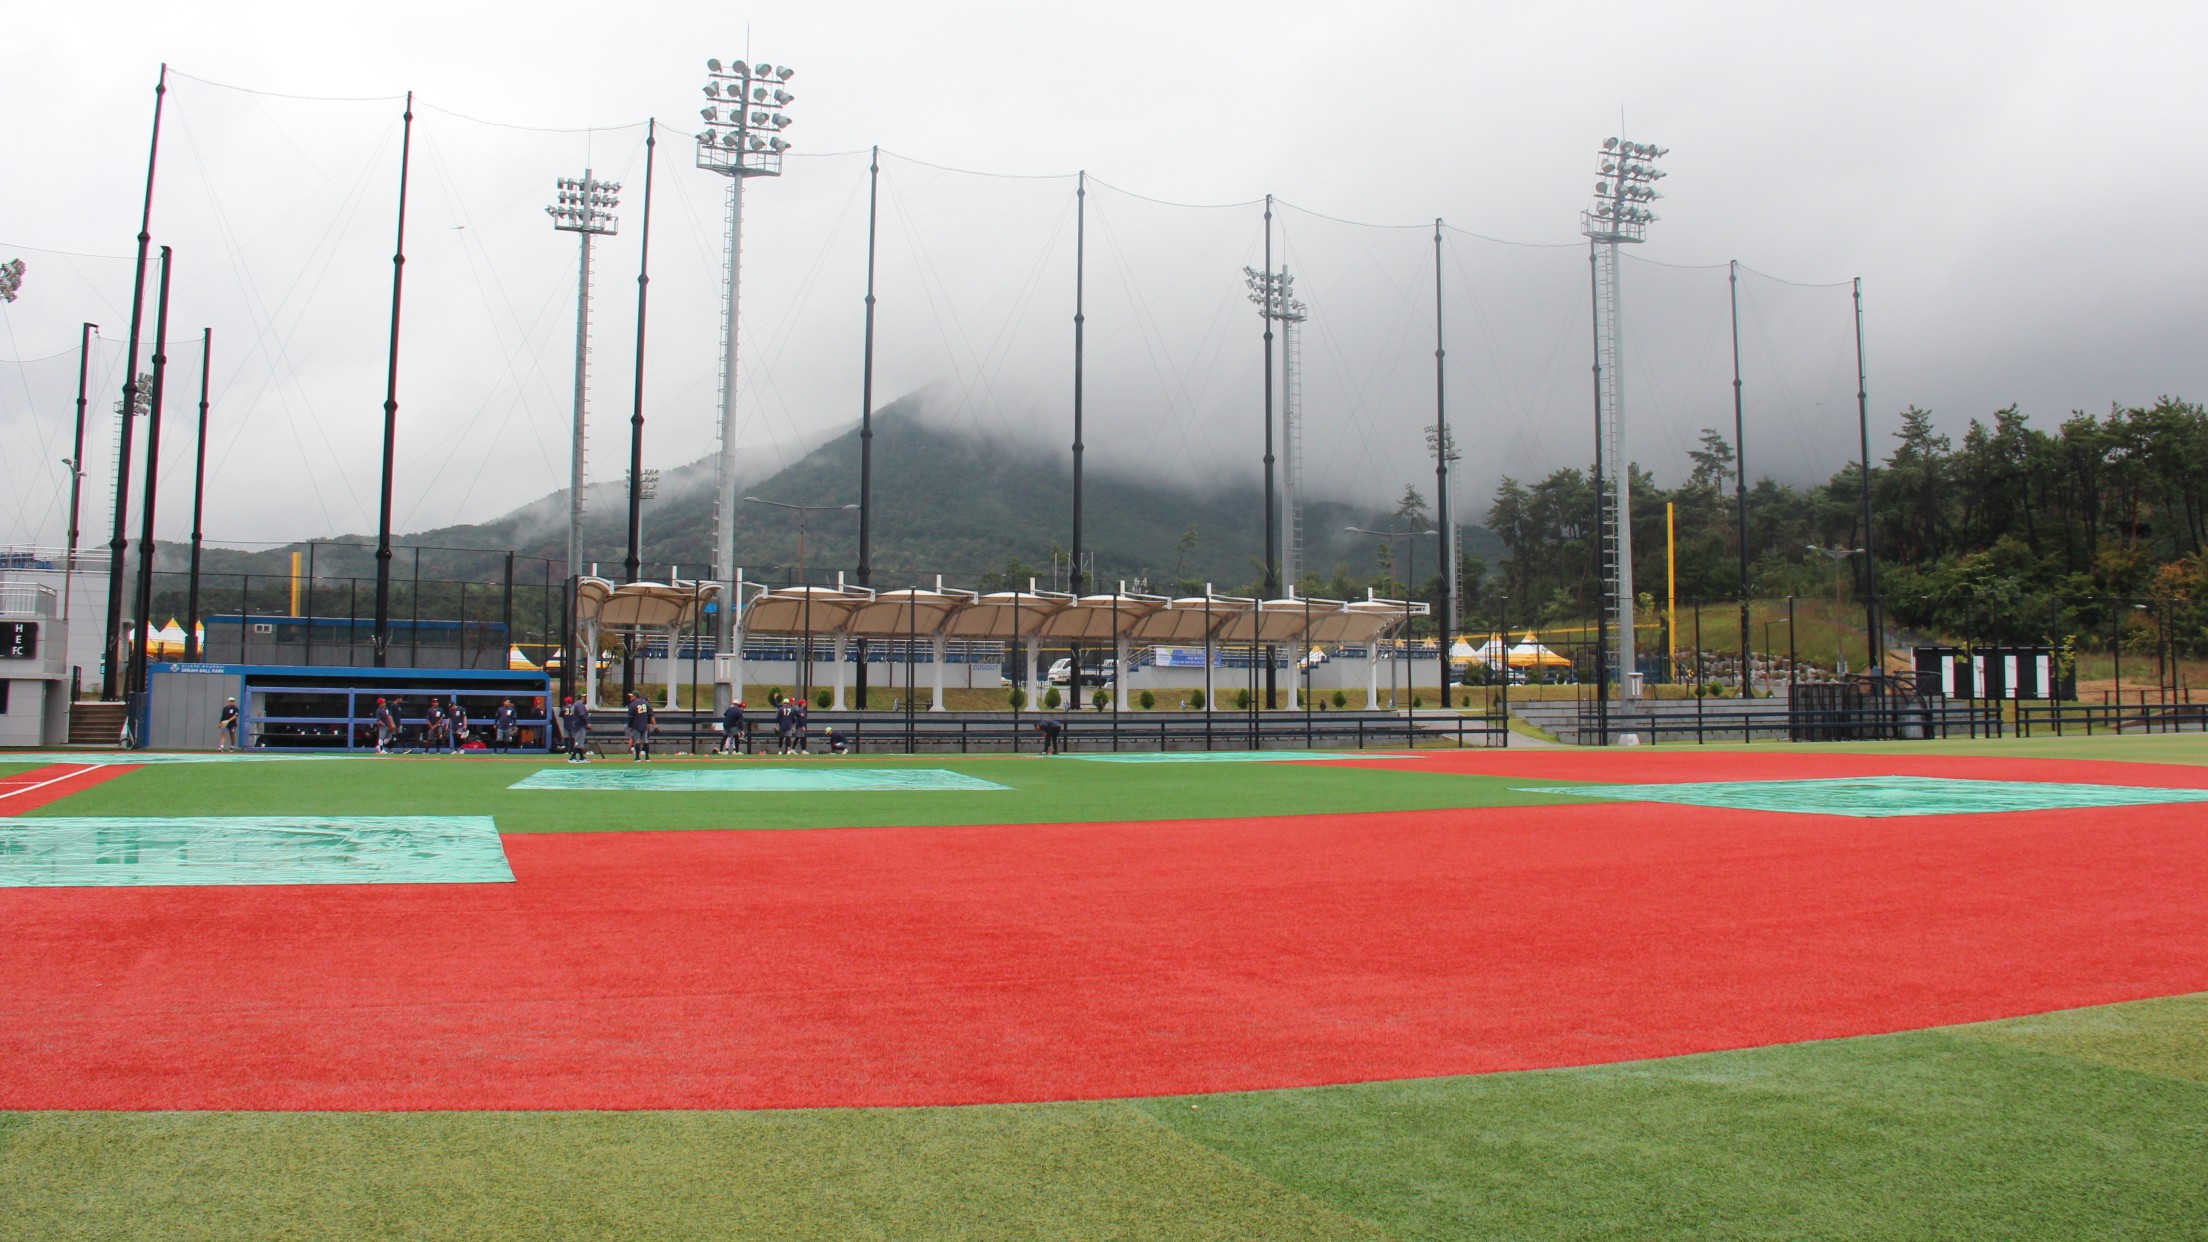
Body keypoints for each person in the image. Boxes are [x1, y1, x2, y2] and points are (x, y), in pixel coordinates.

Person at [625, 693, 656, 762]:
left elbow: (630, 717)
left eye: (632, 696)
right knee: (645, 741)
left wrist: (630, 725)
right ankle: (647, 757)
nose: (630, 698)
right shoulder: (646, 703)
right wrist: (648, 723)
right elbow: (650, 714)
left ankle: (637, 757)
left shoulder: (632, 705)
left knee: (637, 741)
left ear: (635, 697)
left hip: (636, 725)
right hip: (644, 725)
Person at [565, 696, 593, 763]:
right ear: (581, 698)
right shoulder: (579, 705)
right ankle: (572, 757)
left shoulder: (574, 705)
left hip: (576, 725)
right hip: (579, 726)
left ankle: (581, 757)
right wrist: (587, 722)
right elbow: (582, 714)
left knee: (579, 742)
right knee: (578, 742)